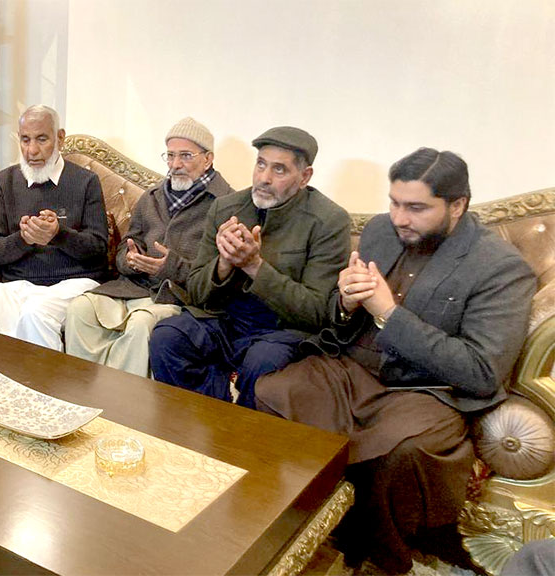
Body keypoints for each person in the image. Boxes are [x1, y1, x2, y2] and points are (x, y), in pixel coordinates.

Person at [255, 148, 536, 574]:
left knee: (401, 451)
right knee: (274, 391)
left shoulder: (501, 268)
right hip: (353, 369)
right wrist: (346, 301)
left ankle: (378, 556)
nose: (400, 218)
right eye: (394, 203)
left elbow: (481, 371)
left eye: (416, 207)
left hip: (425, 389)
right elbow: (343, 311)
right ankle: (292, 529)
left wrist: (388, 312)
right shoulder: (382, 232)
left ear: (457, 205)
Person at [148, 126, 350, 407]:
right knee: (168, 336)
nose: (264, 179)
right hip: (226, 321)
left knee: (262, 362)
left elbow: (317, 312)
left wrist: (255, 266)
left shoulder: (328, 221)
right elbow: (195, 290)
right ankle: (207, 418)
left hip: (282, 331)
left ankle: (235, 436)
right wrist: (223, 264)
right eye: (261, 165)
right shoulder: (226, 207)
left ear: (304, 177)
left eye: (279, 170)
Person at [64, 117, 234, 376]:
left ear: (208, 159)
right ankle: (84, 392)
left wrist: (170, 266)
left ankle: (123, 405)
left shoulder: (225, 205)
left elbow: (220, 278)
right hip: (133, 288)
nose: (175, 165)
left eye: (186, 156)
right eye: (171, 155)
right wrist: (130, 259)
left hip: (179, 298)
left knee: (141, 324)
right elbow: (125, 247)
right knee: (80, 308)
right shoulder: (152, 196)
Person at [0, 105, 108, 350]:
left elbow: (98, 247)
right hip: (20, 285)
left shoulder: (85, 181)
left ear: (60, 137)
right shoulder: (4, 182)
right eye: (25, 140)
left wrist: (58, 234)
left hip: (75, 283)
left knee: (35, 312)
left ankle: (42, 387)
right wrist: (24, 239)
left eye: (42, 139)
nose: (32, 151)